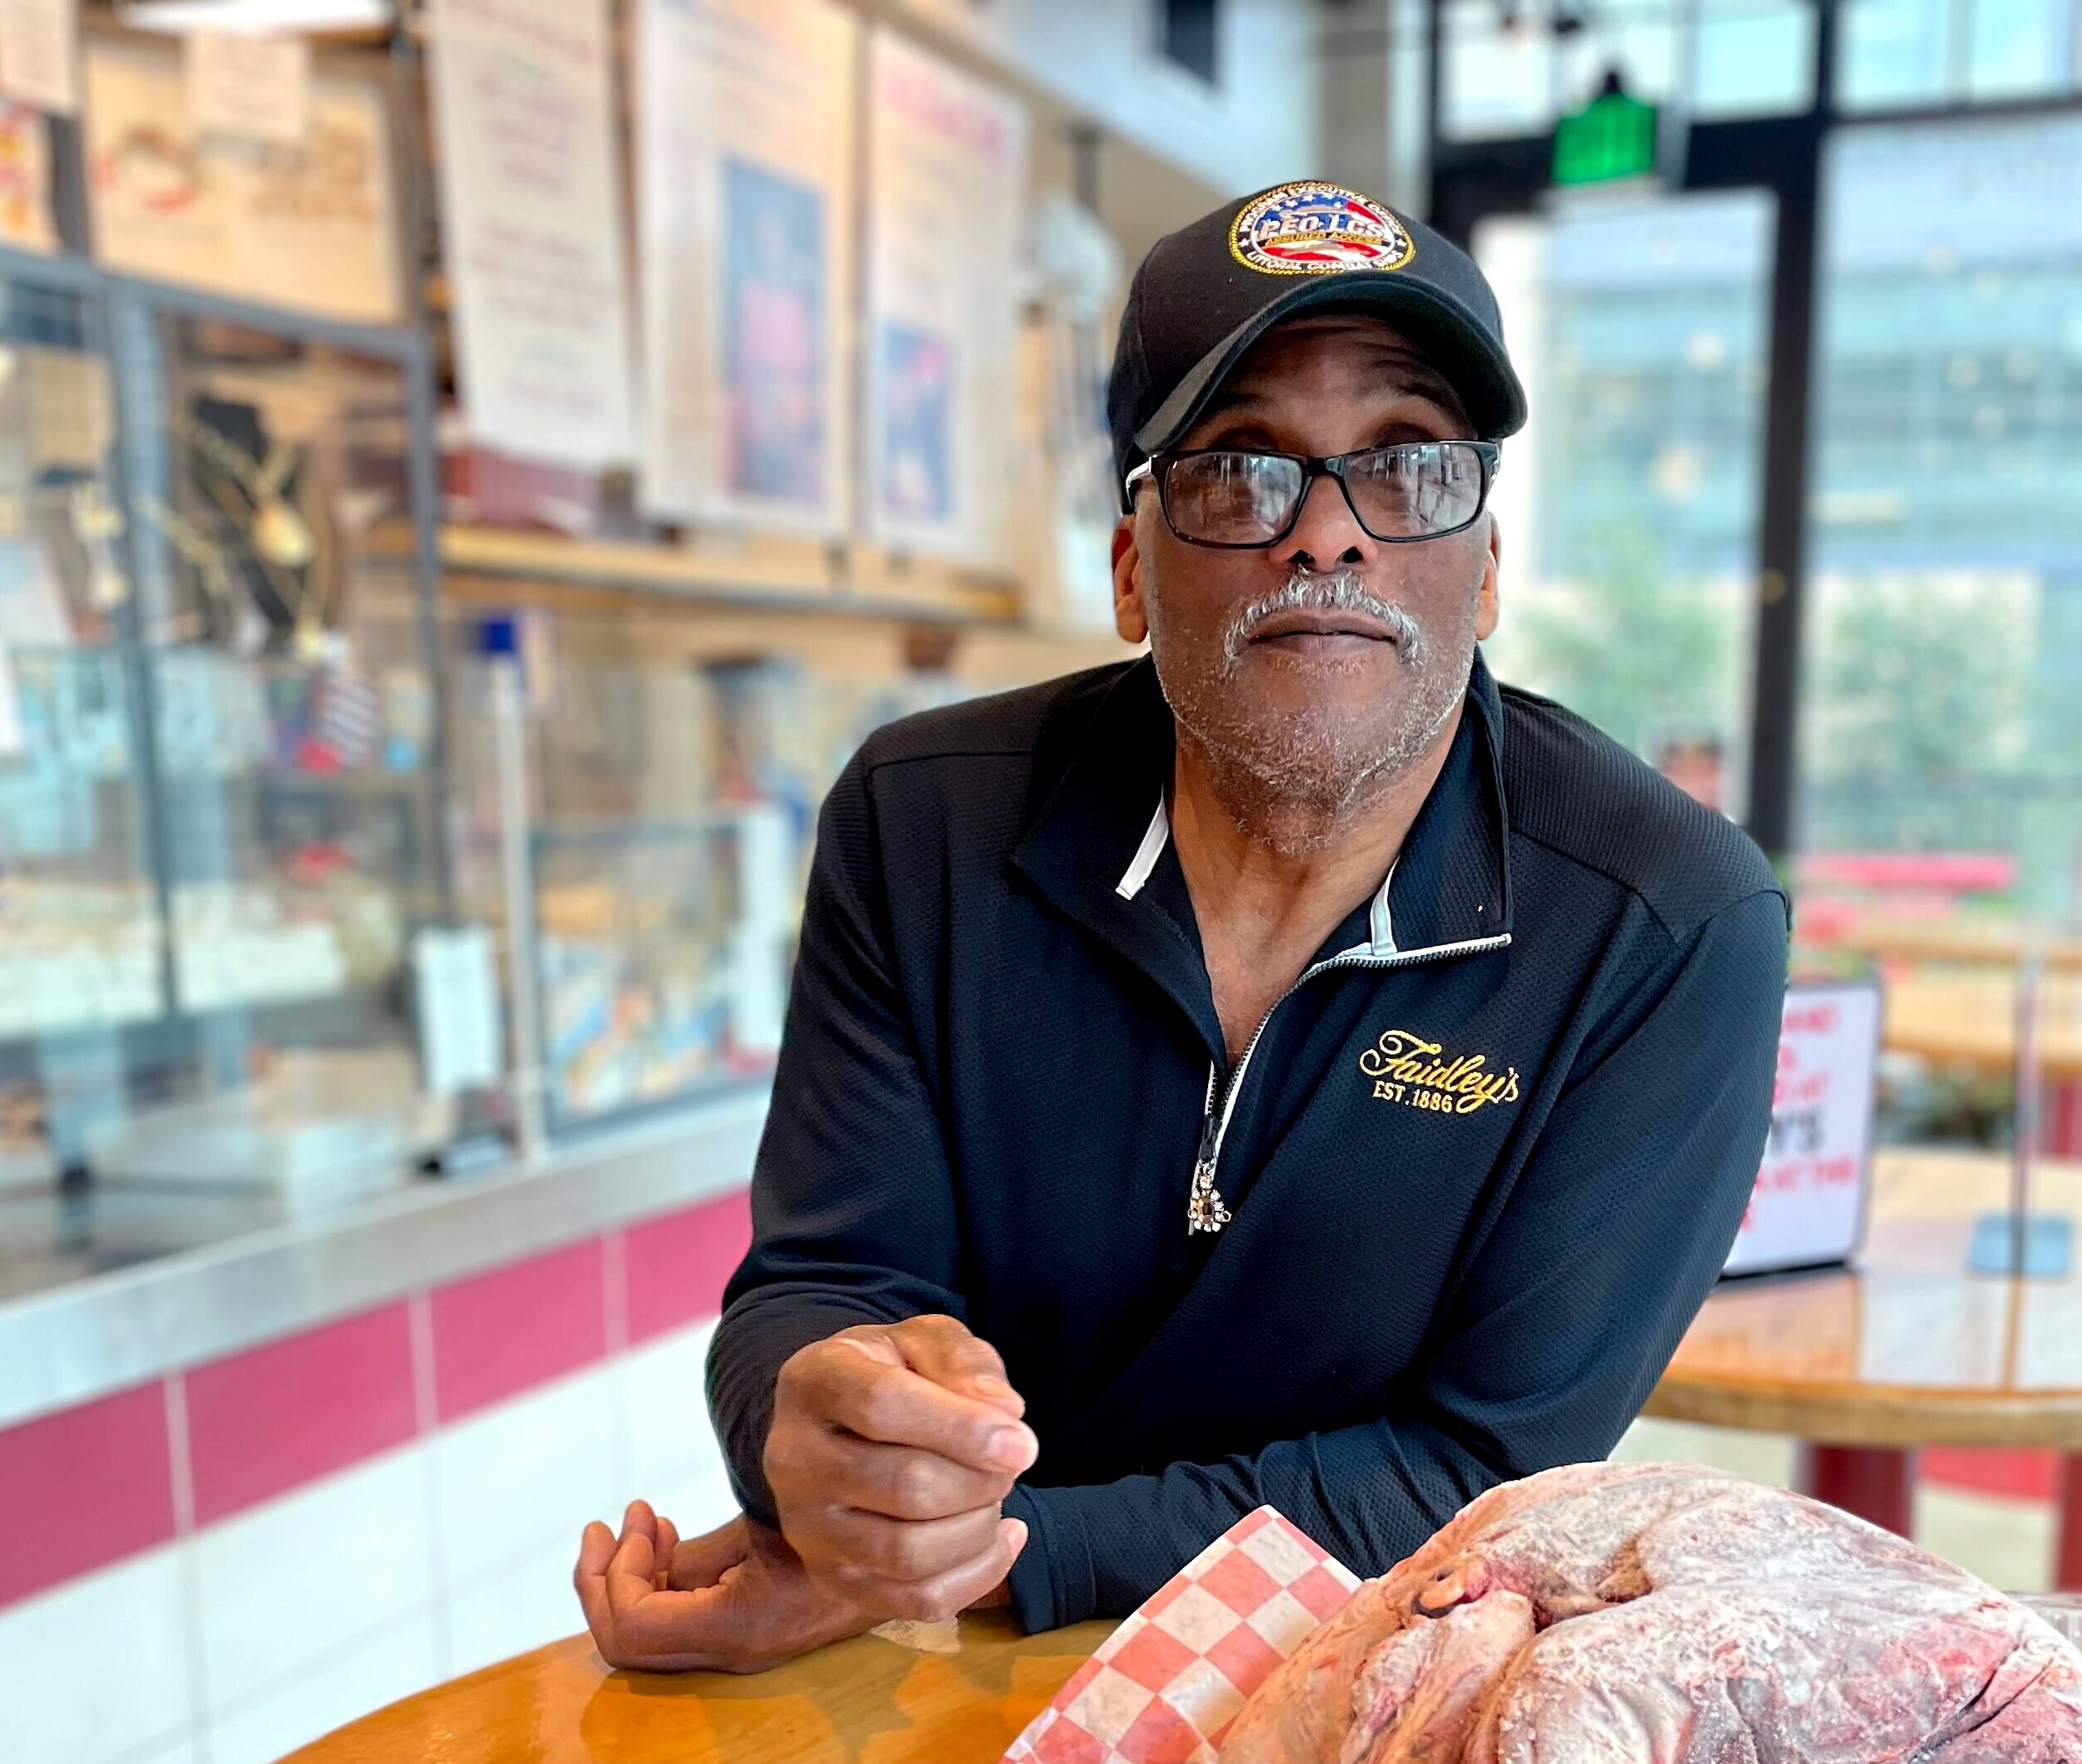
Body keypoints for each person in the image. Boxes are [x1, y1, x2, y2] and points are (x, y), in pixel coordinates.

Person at [576, 179, 1790, 1672]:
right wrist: (821, 1452)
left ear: (1486, 568)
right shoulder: (925, 826)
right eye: (1239, 469)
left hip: (1369, 1674)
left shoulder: (1664, 927)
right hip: (937, 1678)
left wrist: (997, 1559)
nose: (1327, 536)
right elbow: (825, 1286)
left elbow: (1480, 1473)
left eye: (1408, 464)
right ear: (1130, 569)